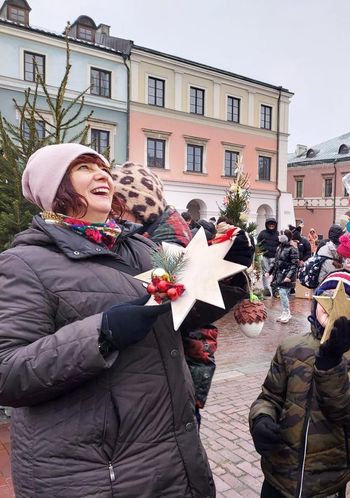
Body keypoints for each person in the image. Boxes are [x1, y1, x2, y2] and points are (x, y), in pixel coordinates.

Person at [0, 144, 214, 497]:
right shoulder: (22, 264)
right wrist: (102, 333)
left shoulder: (141, 248)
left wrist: (224, 275)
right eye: (84, 168)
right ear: (54, 188)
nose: (103, 174)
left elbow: (184, 312)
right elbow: (7, 371)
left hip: (172, 458)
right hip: (97, 475)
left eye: (103, 167)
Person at [112, 163, 253, 426]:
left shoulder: (164, 243)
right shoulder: (148, 236)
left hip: (174, 373)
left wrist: (227, 271)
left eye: (118, 209)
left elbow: (182, 308)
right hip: (168, 375)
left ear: (136, 208)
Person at [249, 270, 350, 498]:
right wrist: (261, 418)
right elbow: (269, 397)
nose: (332, 306)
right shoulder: (290, 347)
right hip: (280, 472)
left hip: (326, 478)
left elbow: (345, 409)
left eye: (345, 300)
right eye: (326, 297)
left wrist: (332, 364)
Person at [270, 229, 299, 323]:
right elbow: (276, 261)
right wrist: (270, 272)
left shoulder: (292, 248)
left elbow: (294, 264)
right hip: (280, 275)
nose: (280, 236)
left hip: (287, 276)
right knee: (283, 294)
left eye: (282, 235)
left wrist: (288, 276)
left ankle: (286, 312)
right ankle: (285, 312)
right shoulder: (279, 247)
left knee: (283, 293)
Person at [257, 217, 279, 296]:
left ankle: (274, 288)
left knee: (274, 273)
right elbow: (258, 243)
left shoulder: (278, 234)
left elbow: (280, 245)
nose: (271, 225)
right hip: (265, 256)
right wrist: (259, 252)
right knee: (265, 272)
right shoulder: (262, 233)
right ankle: (266, 289)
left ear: (275, 225)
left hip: (274, 256)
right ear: (267, 225)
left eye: (273, 224)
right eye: (269, 224)